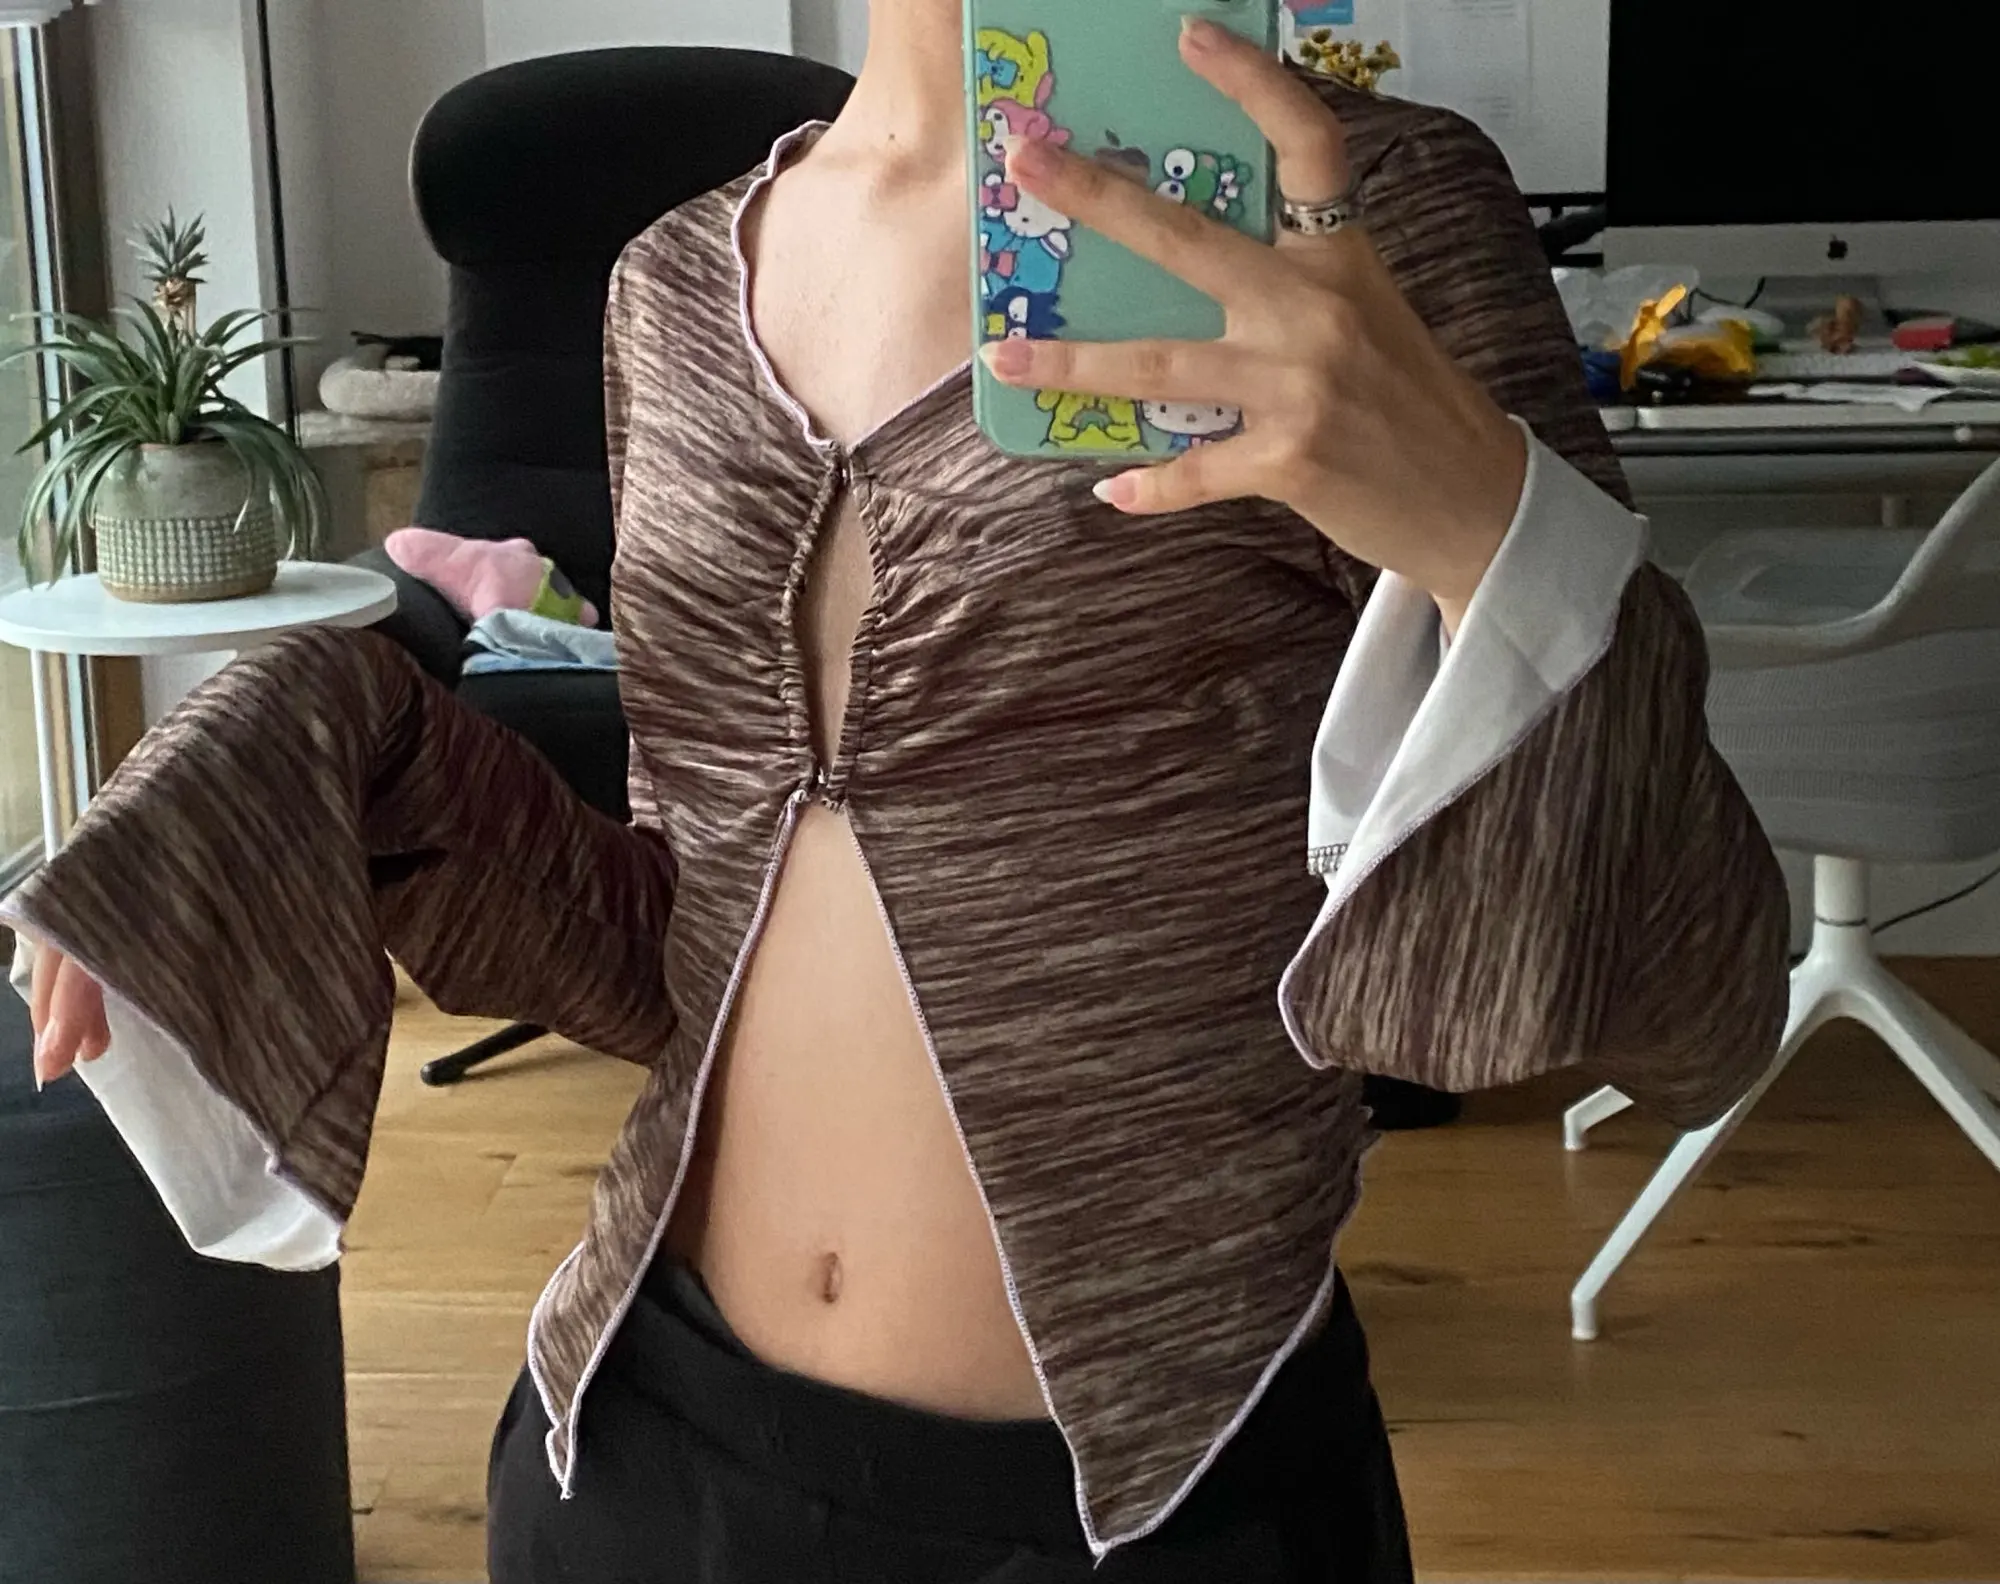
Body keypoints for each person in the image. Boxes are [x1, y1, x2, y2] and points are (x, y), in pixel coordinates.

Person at [7, 6, 1792, 1582]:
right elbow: (689, 952)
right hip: (641, 1445)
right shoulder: (672, 286)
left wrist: (1490, 531)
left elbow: (1695, 1009)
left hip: (1155, 1484)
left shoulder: (1359, 217)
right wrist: (318, 723)